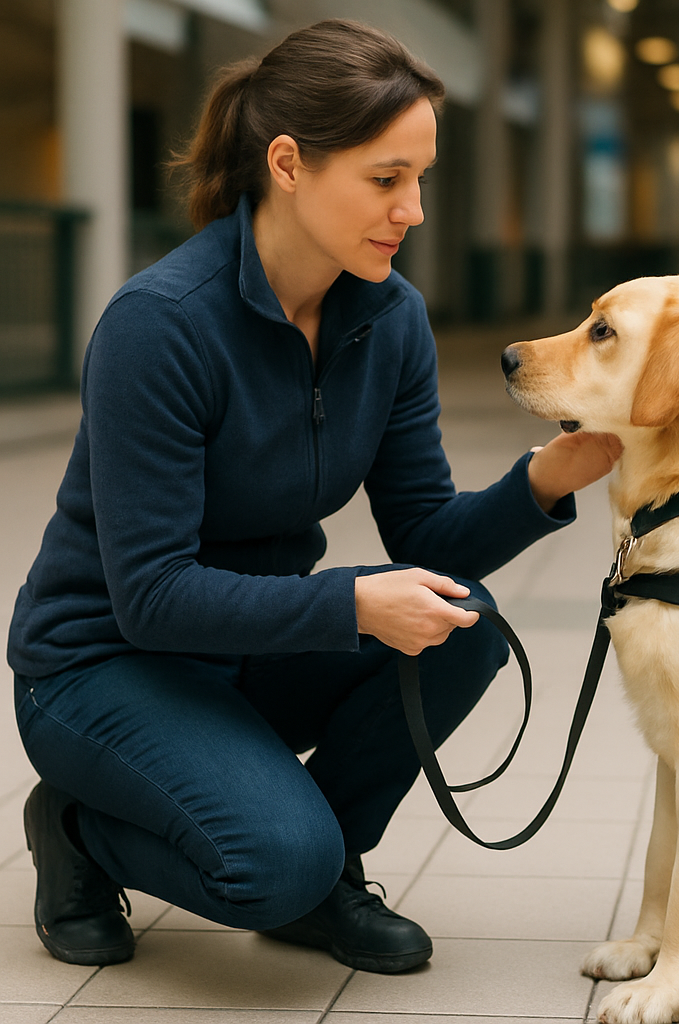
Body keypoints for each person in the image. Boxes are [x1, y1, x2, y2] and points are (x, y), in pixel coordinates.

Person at [8, 20, 621, 974]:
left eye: (419, 179)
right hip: (103, 665)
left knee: (464, 622)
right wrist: (349, 606)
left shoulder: (389, 318)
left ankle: (320, 868)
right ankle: (82, 830)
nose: (411, 209)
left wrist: (543, 482)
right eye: (386, 179)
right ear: (288, 163)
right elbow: (154, 596)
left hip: (250, 650)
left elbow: (424, 531)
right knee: (272, 863)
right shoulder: (159, 327)